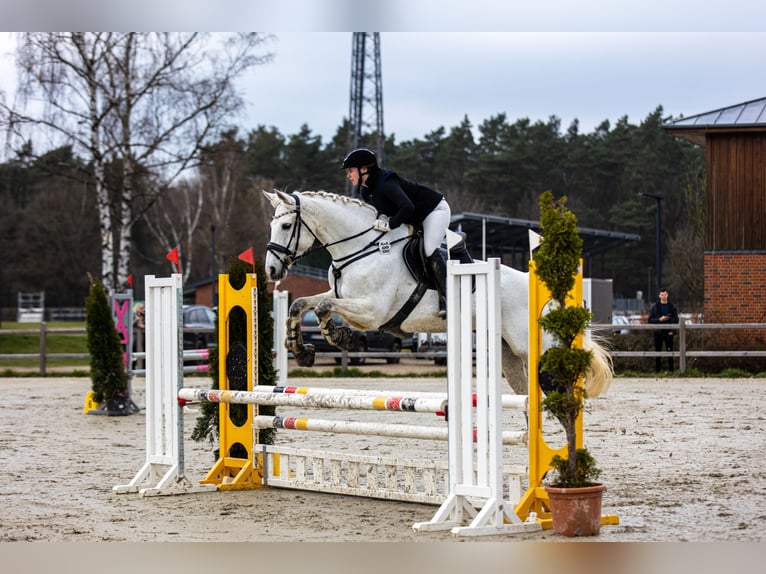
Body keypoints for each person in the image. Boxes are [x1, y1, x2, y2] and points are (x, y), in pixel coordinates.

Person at [342, 148, 452, 318]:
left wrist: (390, 224)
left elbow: (407, 207)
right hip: (412, 218)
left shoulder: (387, 183)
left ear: (364, 169)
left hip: (434, 211)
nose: (348, 175)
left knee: (430, 249)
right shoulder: (365, 190)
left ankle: (447, 299)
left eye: (350, 170)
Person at [647, 288, 679, 372]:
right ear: (659, 296)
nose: (663, 296)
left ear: (667, 295)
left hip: (669, 332)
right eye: (662, 295)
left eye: (665, 294)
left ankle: (671, 371)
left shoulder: (672, 307)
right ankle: (657, 371)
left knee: (670, 352)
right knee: (658, 352)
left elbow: (676, 320)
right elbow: (650, 320)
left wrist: (673, 331)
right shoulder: (655, 307)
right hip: (658, 333)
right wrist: (659, 320)